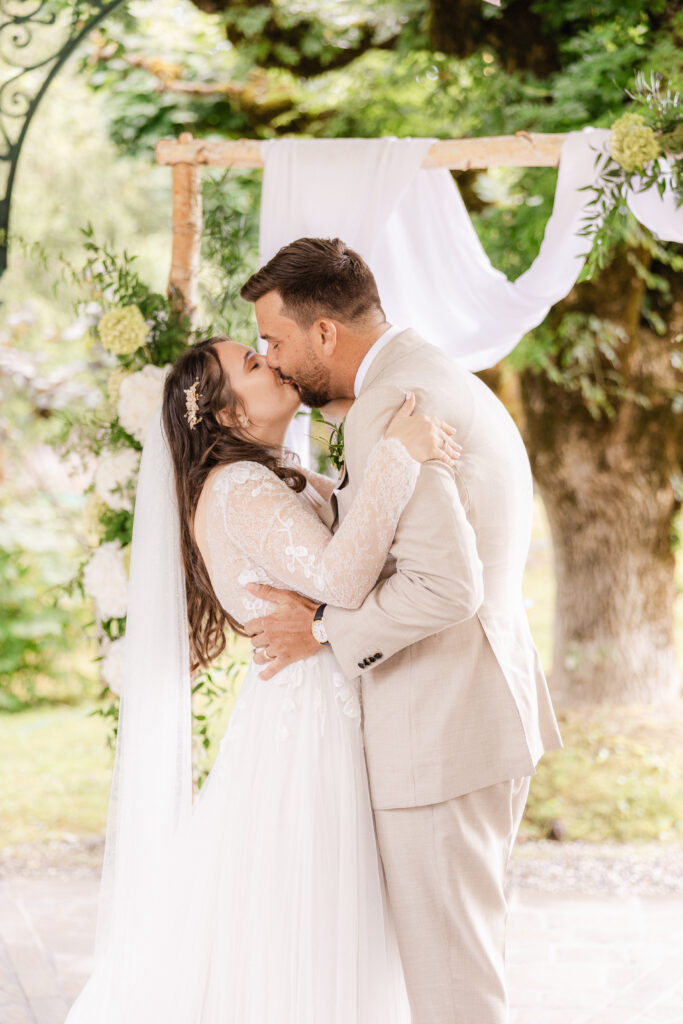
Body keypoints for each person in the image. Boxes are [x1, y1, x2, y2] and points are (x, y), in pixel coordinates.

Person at [63, 332, 461, 1024]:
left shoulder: (277, 476)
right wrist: (400, 454)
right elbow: (342, 574)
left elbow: (346, 566)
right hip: (305, 723)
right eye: (251, 364)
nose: (270, 361)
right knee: (307, 906)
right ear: (226, 416)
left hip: (314, 703)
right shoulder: (239, 487)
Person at [239, 236, 564, 1024]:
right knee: (457, 965)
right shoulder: (432, 374)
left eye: (275, 341)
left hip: (441, 725)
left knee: (453, 987)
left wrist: (321, 630)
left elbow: (444, 586)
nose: (272, 362)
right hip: (470, 710)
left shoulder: (391, 403)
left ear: (325, 333)